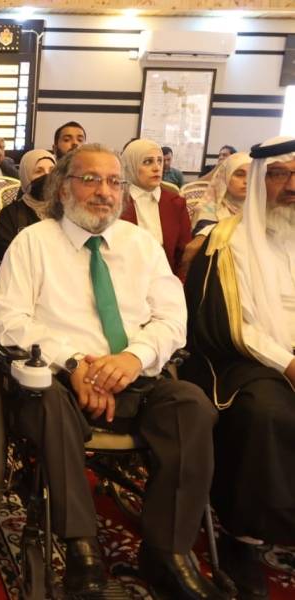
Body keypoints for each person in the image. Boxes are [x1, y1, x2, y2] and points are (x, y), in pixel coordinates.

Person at [0, 144, 224, 600]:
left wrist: (133, 358)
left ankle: (168, 553)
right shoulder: (33, 243)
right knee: (48, 404)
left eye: (114, 182)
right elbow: (8, 319)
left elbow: (173, 320)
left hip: (135, 375)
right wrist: (74, 362)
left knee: (192, 406)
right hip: (59, 378)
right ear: (63, 189)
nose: (104, 191)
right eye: (90, 179)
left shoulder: (141, 245)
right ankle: (83, 552)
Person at [182, 136, 295, 600]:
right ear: (260, 179)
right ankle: (244, 536)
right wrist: (288, 363)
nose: (292, 186)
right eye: (280, 174)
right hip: (241, 358)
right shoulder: (225, 242)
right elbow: (234, 325)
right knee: (267, 413)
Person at [0, 149, 54, 307]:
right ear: (25, 176)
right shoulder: (11, 215)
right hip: (19, 292)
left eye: (52, 171)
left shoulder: (65, 213)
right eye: (39, 171)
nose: (47, 176)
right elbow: (7, 262)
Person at [120, 139, 192, 277]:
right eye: (148, 162)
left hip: (166, 279)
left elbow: (183, 255)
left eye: (159, 161)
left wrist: (176, 284)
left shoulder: (176, 203)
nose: (157, 168)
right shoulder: (116, 201)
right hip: (123, 279)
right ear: (131, 166)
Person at [192, 151, 250, 236]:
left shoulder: (262, 208)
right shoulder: (209, 210)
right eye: (239, 175)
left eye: (251, 175)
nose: (246, 181)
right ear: (224, 177)